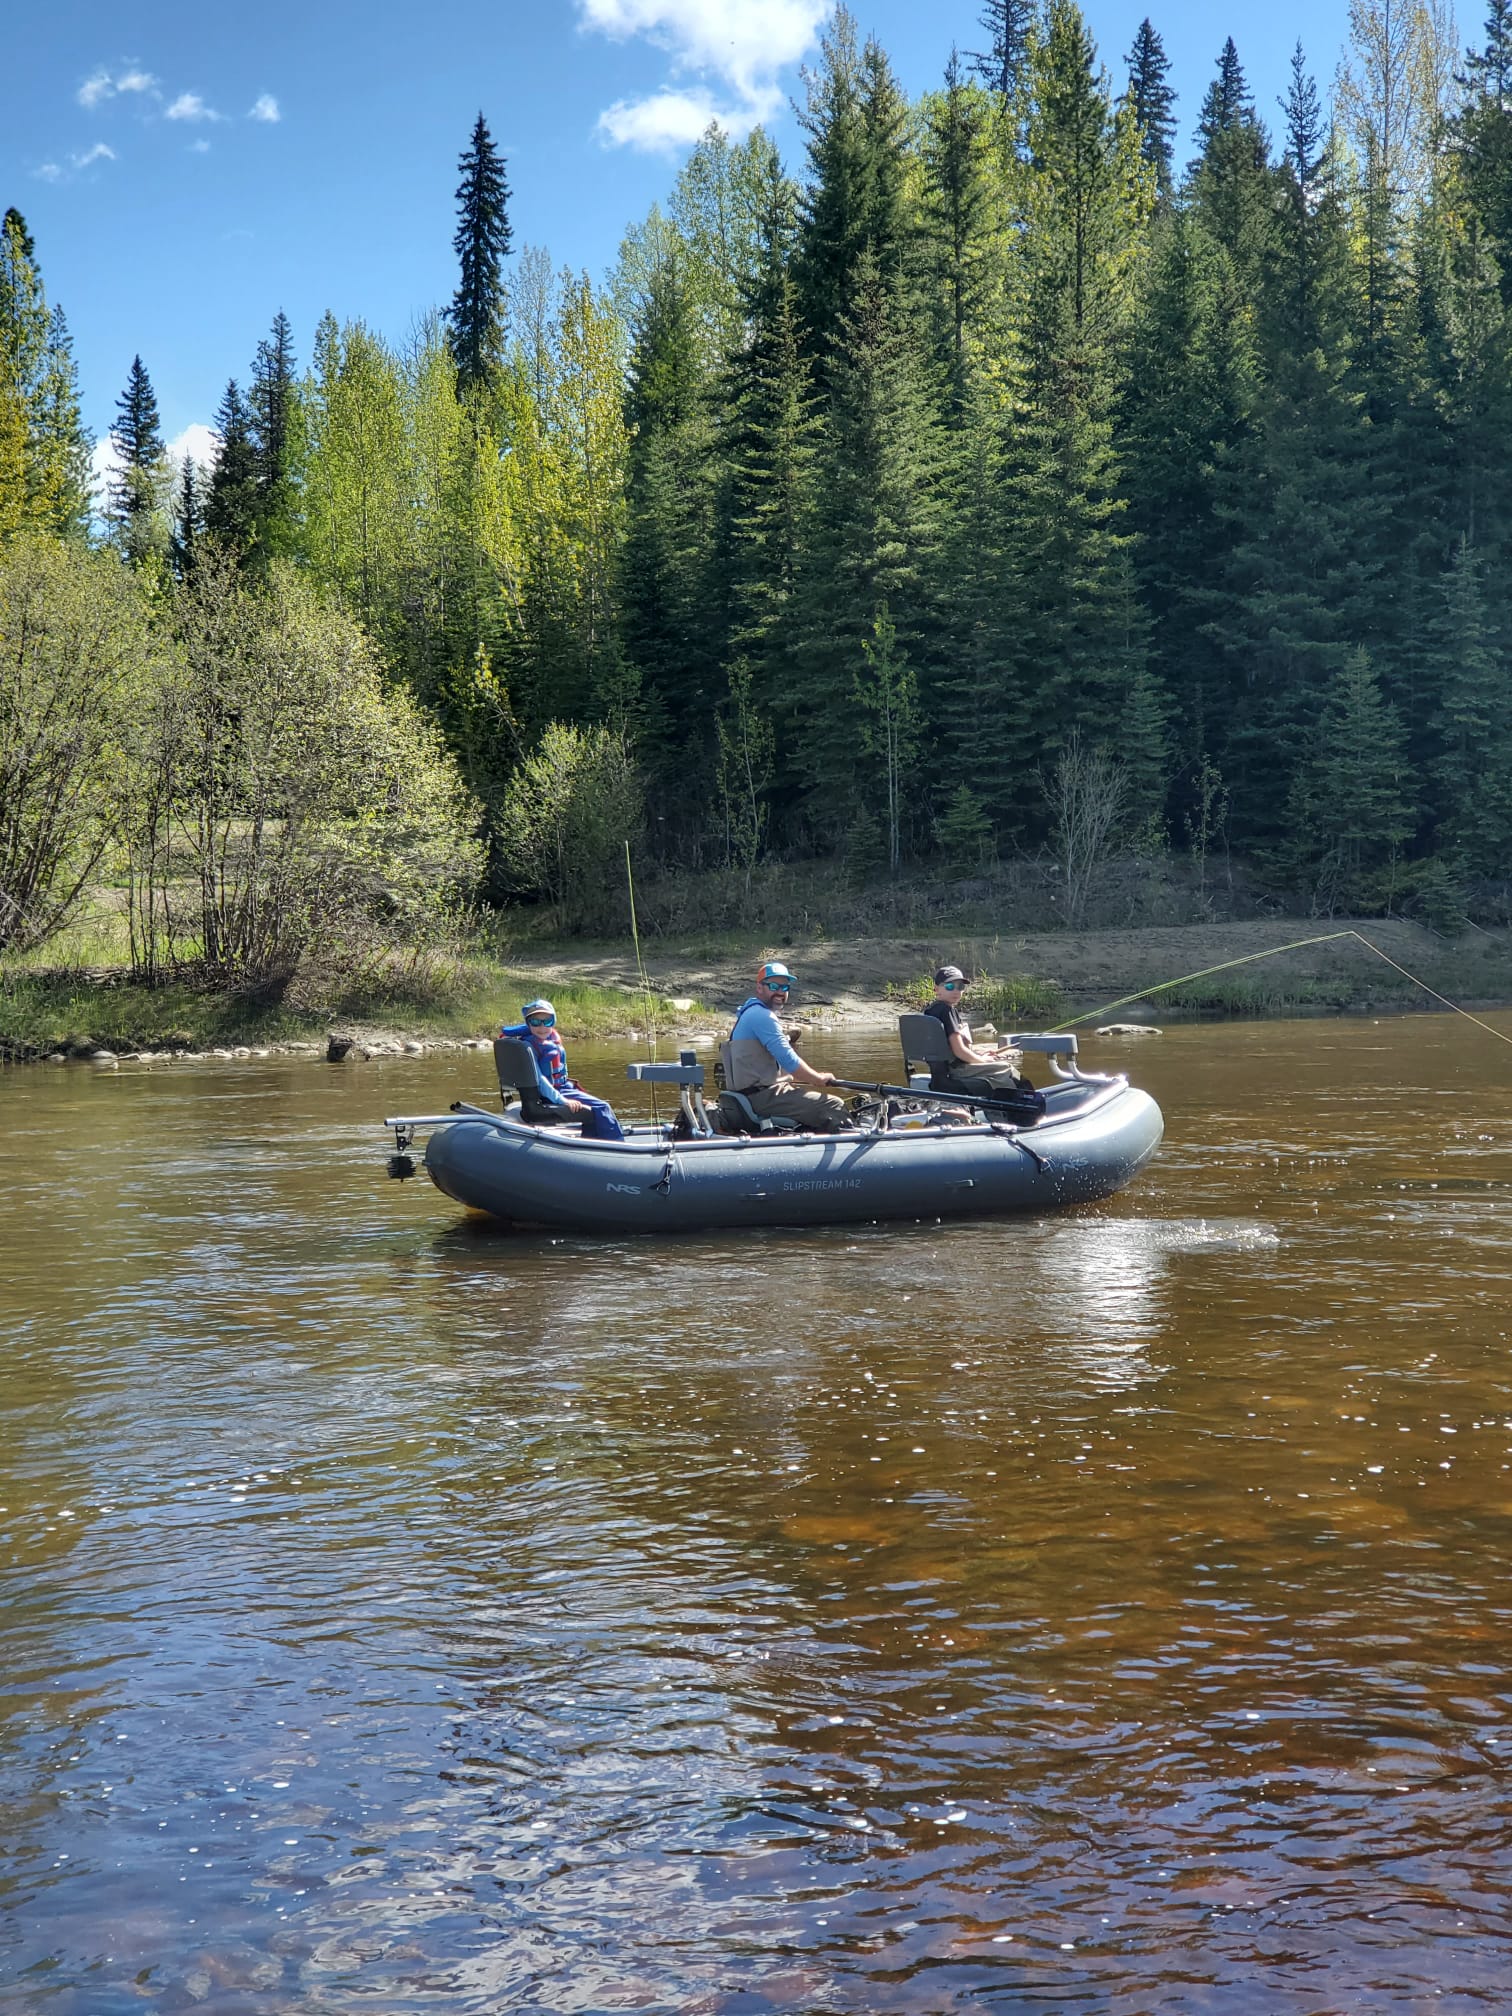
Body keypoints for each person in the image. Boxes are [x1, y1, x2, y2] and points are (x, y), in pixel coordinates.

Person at [721, 961, 851, 1133]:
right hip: (762, 1097)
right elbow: (789, 1060)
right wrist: (818, 1079)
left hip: (752, 1094)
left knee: (806, 1099)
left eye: (785, 987)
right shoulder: (763, 1016)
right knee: (833, 1104)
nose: (780, 992)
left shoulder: (749, 1012)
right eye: (774, 986)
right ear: (759, 987)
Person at [921, 965, 1044, 1119]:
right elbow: (959, 1051)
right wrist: (982, 1060)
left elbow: (949, 1049)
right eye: (950, 986)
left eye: (960, 987)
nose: (956, 991)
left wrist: (979, 1054)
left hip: (943, 1070)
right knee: (1007, 1070)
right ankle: (1023, 1117)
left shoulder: (930, 1011)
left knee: (996, 1066)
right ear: (936, 989)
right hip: (956, 1071)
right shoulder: (947, 1011)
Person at [499, 998, 625, 1141]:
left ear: (554, 1022)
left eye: (547, 1022)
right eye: (535, 1022)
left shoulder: (547, 1040)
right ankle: (619, 1146)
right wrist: (563, 1101)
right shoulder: (530, 1046)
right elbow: (540, 1080)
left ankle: (590, 1143)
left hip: (561, 1088)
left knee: (595, 1109)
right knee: (602, 1107)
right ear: (528, 1024)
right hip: (554, 1093)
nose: (542, 1027)